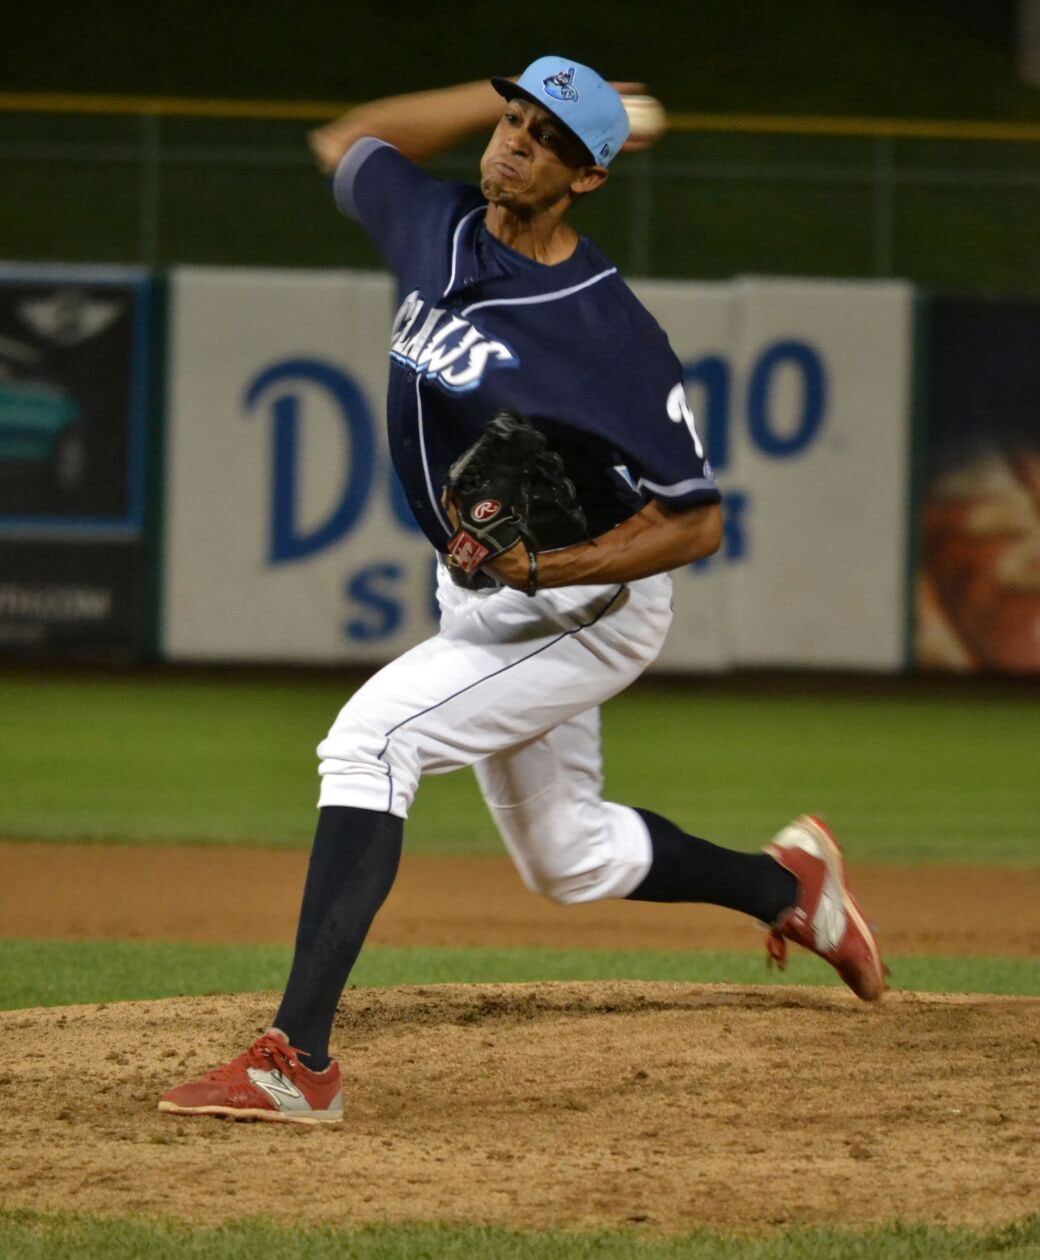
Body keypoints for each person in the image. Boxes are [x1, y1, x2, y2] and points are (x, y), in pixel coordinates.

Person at [159, 57, 885, 1126]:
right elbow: (348, 138)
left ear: (588, 178)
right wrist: (495, 96)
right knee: (567, 857)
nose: (514, 144)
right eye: (511, 121)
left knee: (372, 742)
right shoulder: (435, 225)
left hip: (580, 614)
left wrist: (550, 569)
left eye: (546, 139)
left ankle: (295, 1062)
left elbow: (697, 519)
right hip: (486, 595)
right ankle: (788, 888)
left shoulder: (610, 337)